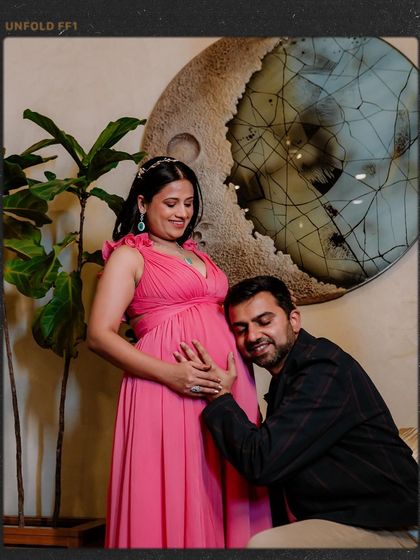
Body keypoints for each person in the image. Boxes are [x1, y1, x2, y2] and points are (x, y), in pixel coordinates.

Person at [87, 157, 271, 548]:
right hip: (166, 389)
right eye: (171, 203)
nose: (182, 213)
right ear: (143, 203)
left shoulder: (199, 256)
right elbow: (99, 335)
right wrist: (172, 374)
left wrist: (237, 369)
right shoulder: (129, 256)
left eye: (188, 203)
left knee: (227, 487)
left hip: (225, 389)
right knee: (176, 488)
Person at [177, 275, 418, 548]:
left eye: (264, 321)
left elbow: (261, 462)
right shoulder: (289, 378)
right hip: (350, 519)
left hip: (397, 525)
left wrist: (220, 396)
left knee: (266, 546)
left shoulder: (323, 369)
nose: (252, 336)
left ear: (293, 320)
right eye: (241, 329)